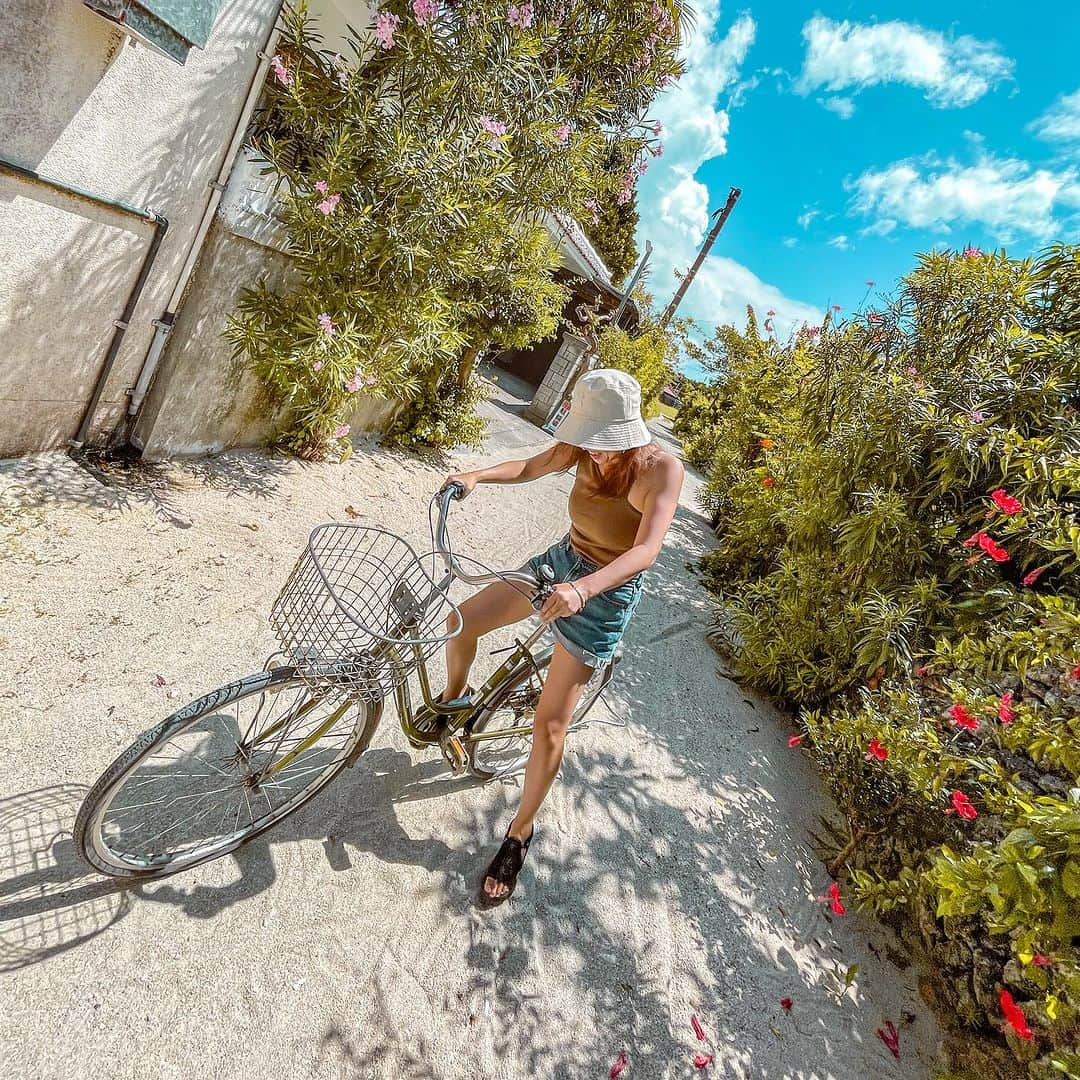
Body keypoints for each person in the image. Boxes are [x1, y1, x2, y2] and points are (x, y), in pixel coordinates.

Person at [443, 368, 684, 907]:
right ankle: (454, 701)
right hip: (562, 561)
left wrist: (583, 591)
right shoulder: (581, 448)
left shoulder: (661, 471)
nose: (595, 455)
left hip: (603, 592)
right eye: (591, 444)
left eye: (606, 446)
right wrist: (477, 476)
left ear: (630, 432)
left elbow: (646, 551)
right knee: (462, 623)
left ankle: (519, 832)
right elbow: (533, 464)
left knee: (549, 726)